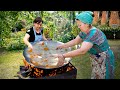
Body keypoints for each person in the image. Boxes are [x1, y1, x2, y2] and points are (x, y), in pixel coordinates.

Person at [52, 11, 115, 79]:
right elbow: (75, 41)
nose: (78, 27)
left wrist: (63, 56)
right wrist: (62, 46)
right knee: (96, 76)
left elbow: (82, 51)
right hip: (96, 58)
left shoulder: (94, 34)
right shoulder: (84, 32)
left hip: (104, 58)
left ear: (87, 24)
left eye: (80, 25)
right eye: (78, 25)